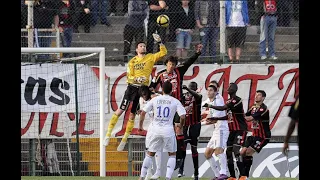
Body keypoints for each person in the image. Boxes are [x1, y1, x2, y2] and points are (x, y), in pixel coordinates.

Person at [103, 34, 167, 150]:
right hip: (132, 87)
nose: (143, 47)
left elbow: (163, 53)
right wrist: (136, 79)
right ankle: (107, 135)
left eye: (144, 46)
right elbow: (129, 76)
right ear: (137, 49)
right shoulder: (132, 61)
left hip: (141, 89)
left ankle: (124, 140)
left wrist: (160, 42)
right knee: (120, 110)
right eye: (141, 46)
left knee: (132, 114)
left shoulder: (150, 57)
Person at [149, 44, 202, 177]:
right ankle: (161, 165)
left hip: (177, 105)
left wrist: (197, 53)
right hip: (165, 107)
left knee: (179, 129)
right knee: (166, 132)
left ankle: (179, 157)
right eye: (170, 64)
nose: (171, 66)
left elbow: (189, 62)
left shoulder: (179, 71)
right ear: (166, 64)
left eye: (173, 64)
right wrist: (155, 95)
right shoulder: (160, 75)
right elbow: (151, 88)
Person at [138, 81, 187, 180]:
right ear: (172, 90)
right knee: (172, 154)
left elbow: (143, 112)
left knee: (150, 153)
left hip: (155, 129)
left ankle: (142, 176)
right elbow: (182, 116)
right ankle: (168, 177)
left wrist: (140, 126)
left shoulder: (155, 99)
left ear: (162, 90)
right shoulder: (175, 101)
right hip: (168, 130)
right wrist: (181, 125)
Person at [204, 83, 248, 180]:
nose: (228, 88)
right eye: (228, 87)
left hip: (240, 129)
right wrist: (215, 118)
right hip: (231, 129)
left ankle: (243, 175)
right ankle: (232, 176)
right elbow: (226, 116)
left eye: (231, 87)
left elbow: (223, 108)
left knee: (236, 151)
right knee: (228, 152)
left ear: (235, 89)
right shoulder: (228, 101)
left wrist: (209, 106)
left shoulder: (237, 99)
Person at [201, 85, 229, 180]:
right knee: (207, 153)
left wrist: (200, 124)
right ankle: (217, 175)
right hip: (216, 130)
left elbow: (214, 120)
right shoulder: (211, 101)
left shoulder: (218, 101)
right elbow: (202, 104)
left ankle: (223, 173)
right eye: (207, 90)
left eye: (211, 90)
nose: (208, 92)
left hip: (222, 128)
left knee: (218, 151)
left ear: (216, 92)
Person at [241, 90, 270, 179]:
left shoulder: (263, 109)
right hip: (254, 135)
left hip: (263, 136)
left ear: (263, 98)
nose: (256, 96)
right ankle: (244, 175)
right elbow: (245, 114)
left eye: (259, 95)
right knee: (242, 152)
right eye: (256, 94)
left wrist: (241, 118)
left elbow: (249, 118)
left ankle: (246, 176)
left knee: (248, 152)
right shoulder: (253, 107)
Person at [177, 82, 202, 180]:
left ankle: (196, 173)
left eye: (192, 88)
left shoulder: (198, 96)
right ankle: (181, 169)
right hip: (185, 125)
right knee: (183, 146)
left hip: (195, 125)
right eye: (190, 87)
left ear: (195, 89)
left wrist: (187, 89)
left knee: (193, 149)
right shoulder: (183, 97)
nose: (190, 90)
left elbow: (197, 95)